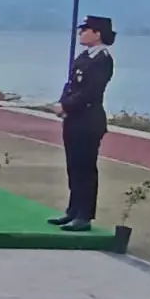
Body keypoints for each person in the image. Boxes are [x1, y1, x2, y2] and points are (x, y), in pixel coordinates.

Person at [51, 16, 114, 232]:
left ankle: (85, 215)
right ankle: (72, 210)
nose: (81, 34)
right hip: (74, 120)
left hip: (88, 121)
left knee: (86, 169)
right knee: (73, 166)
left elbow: (90, 92)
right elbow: (71, 85)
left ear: (97, 33)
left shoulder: (102, 60)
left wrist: (66, 106)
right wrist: (62, 102)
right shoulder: (84, 57)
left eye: (86, 30)